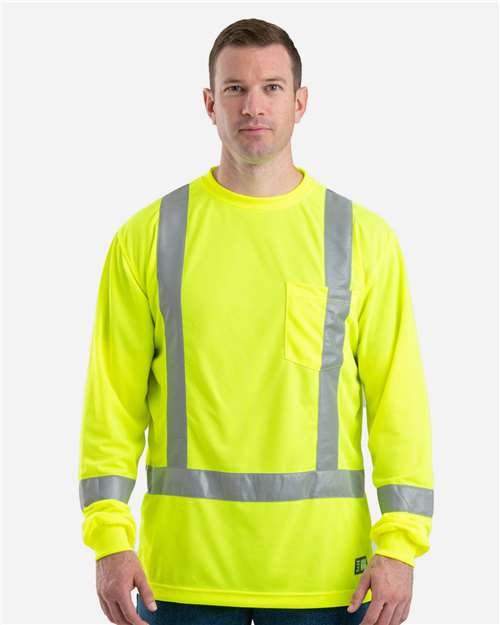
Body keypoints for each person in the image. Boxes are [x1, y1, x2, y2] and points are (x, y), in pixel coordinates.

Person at [78, 17, 434, 625]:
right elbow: (111, 402)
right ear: (209, 103)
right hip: (182, 574)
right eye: (235, 89)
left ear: (300, 102)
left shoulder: (361, 238)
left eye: (272, 87)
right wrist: (109, 538)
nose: (253, 106)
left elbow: (398, 402)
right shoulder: (149, 237)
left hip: (325, 578)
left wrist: (401, 544)